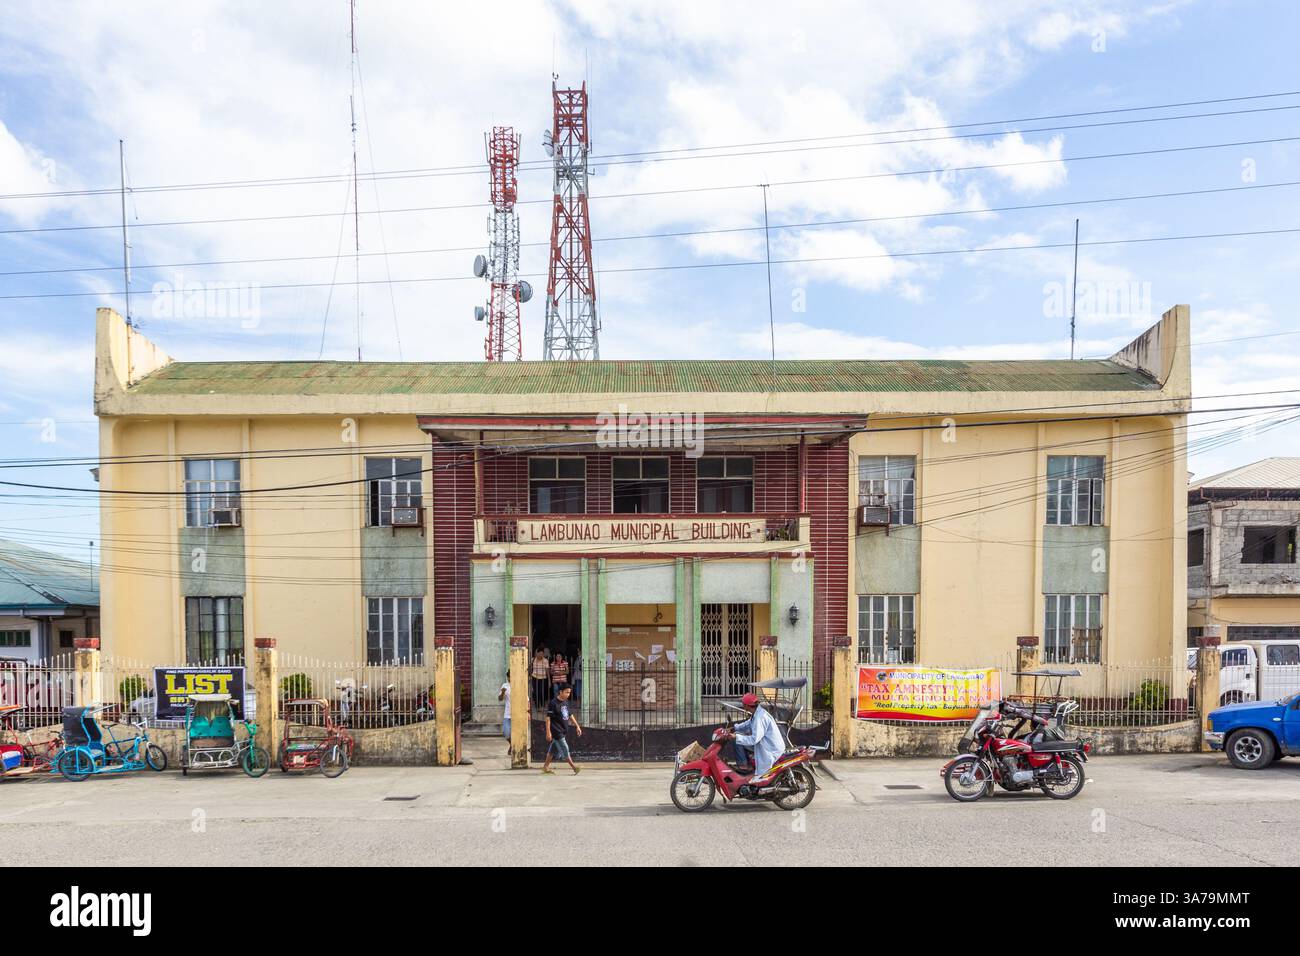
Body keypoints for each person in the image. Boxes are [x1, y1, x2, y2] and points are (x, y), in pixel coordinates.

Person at [731, 692, 785, 780]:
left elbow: (754, 739)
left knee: (737, 741)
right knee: (739, 738)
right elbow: (748, 724)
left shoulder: (760, 717)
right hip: (767, 744)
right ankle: (749, 763)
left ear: (747, 706)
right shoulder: (757, 713)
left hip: (770, 749)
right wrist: (735, 728)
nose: (743, 706)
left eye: (743, 704)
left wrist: (735, 736)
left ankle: (744, 767)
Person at [541, 684, 582, 775]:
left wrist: (577, 726)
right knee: (565, 749)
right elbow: (548, 719)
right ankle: (574, 767)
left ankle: (545, 767)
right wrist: (548, 732)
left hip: (563, 731)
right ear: (560, 692)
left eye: (569, 692)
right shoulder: (553, 703)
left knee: (552, 751)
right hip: (557, 731)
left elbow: (570, 715)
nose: (568, 694)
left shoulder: (565, 702)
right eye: (567, 692)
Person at [498, 678, 514, 755]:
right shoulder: (505, 685)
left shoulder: (519, 684)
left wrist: (528, 712)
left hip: (517, 713)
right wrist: (503, 692)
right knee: (506, 732)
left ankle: (513, 746)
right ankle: (512, 744)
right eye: (509, 677)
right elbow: (500, 699)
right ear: (508, 677)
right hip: (507, 713)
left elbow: (527, 699)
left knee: (516, 733)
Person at [531, 648, 549, 712]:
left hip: (543, 678)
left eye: (542, 654)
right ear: (537, 653)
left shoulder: (545, 661)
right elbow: (530, 668)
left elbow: (547, 671)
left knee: (542, 692)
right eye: (540, 653)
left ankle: (542, 705)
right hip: (534, 677)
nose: (541, 655)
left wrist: (549, 681)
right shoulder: (533, 659)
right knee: (535, 693)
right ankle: (538, 707)